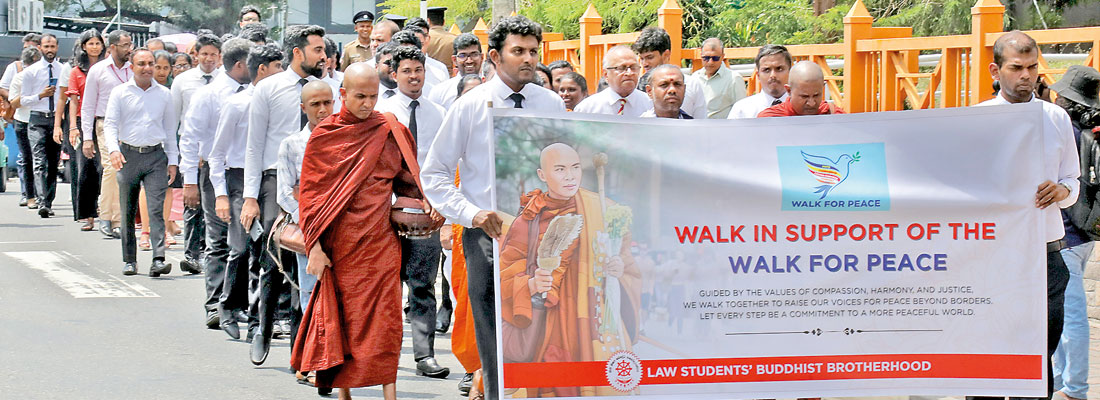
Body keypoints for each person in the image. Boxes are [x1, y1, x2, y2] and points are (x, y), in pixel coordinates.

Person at [421, 16, 566, 400]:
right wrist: (472, 215)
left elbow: (567, 163)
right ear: (494, 56)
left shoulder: (550, 105)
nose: (528, 60)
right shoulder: (469, 107)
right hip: (487, 233)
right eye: (518, 51)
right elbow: (433, 173)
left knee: (544, 320)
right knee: (492, 323)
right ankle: (497, 390)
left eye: (533, 52)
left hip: (544, 233)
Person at [291, 61, 438, 400]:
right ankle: (344, 392)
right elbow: (310, 199)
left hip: (381, 244)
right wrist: (314, 247)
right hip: (341, 245)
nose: (367, 104)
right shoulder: (325, 136)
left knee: (385, 322)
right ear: (342, 94)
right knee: (346, 319)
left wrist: (425, 202)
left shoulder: (389, 130)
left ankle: (390, 391)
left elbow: (407, 182)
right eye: (359, 96)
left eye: (373, 96)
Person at [971, 30, 1081, 400]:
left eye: (1032, 67)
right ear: (995, 70)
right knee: (986, 348)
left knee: (1036, 358)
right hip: (991, 254)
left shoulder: (1056, 118)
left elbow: (1072, 180)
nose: (1026, 76)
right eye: (1016, 68)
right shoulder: (975, 121)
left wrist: (1061, 191)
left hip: (1046, 252)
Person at [499, 143, 641, 397]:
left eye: (575, 168)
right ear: (542, 175)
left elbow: (626, 261)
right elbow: (504, 272)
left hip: (593, 315)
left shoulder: (601, 208)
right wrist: (529, 284)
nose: (570, 176)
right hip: (552, 320)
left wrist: (618, 267)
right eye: (560, 169)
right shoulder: (530, 219)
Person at [243, 24, 326, 366]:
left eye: (324, 50)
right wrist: (250, 196)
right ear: (298, 52)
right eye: (317, 50)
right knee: (273, 257)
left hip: (316, 180)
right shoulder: (269, 89)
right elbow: (254, 144)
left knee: (305, 258)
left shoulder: (328, 89)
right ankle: (261, 326)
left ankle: (299, 342)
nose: (323, 55)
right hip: (273, 180)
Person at [375, 45, 450, 379]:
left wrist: (439, 203)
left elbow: (446, 163)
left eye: (418, 70)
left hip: (425, 210)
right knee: (385, 285)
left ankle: (425, 355)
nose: (414, 77)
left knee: (422, 284)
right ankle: (382, 353)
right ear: (394, 74)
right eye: (406, 71)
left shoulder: (438, 112)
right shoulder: (381, 112)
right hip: (386, 211)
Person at [209, 43, 285, 340]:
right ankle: (226, 305)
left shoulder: (280, 101)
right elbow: (217, 154)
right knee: (240, 247)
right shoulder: (238, 103)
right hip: (239, 181)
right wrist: (221, 194)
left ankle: (261, 314)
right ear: (262, 70)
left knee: (265, 250)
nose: (282, 73)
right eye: (278, 67)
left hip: (268, 179)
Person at [179, 38, 253, 329]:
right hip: (214, 173)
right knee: (219, 239)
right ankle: (214, 304)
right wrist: (189, 182)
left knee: (243, 242)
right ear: (239, 65)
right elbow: (189, 137)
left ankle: (238, 303)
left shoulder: (253, 93)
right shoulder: (209, 95)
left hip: (246, 173)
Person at [102, 48, 179, 277]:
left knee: (156, 209)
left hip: (156, 156)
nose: (147, 68)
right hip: (128, 155)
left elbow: (169, 129)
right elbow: (110, 125)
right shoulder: (120, 92)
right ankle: (129, 260)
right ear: (132, 67)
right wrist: (114, 150)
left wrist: (172, 161)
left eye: (150, 64)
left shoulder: (164, 94)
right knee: (127, 209)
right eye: (141, 64)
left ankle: (158, 258)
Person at [1050, 65, 1100, 400]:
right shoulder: (1090, 132)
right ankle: (1060, 378)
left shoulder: (1063, 131)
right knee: (1062, 310)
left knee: (1071, 316)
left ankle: (1076, 387)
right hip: (1083, 234)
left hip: (1065, 234)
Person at [173, 33, 223, 275]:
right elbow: (175, 119)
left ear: (220, 57)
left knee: (214, 210)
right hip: (193, 152)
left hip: (218, 156)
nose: (209, 59)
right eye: (205, 54)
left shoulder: (225, 81)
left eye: (214, 54)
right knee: (192, 204)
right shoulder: (183, 81)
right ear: (196, 55)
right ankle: (191, 254)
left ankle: (209, 252)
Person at [81, 30, 132, 239]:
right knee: (111, 167)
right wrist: (86, 136)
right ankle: (106, 216)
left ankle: (120, 219)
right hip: (104, 124)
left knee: (124, 173)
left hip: (130, 125)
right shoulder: (98, 70)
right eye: (125, 45)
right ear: (112, 47)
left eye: (130, 45)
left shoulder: (134, 68)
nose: (129, 49)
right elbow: (88, 105)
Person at [20, 34, 65, 218]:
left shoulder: (63, 69)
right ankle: (42, 201)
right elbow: (23, 99)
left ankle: (49, 199)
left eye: (53, 46)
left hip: (56, 120)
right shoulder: (31, 72)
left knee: (54, 163)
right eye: (46, 46)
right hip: (37, 119)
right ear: (40, 48)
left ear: (57, 48)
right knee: (40, 162)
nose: (50, 50)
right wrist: (41, 95)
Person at [67, 29, 105, 232]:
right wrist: (73, 127)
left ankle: (106, 212)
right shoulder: (76, 71)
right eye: (90, 43)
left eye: (98, 43)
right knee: (86, 168)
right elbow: (73, 102)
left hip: (104, 120)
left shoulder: (108, 68)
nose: (94, 47)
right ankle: (88, 215)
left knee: (104, 169)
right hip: (83, 121)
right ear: (83, 46)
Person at [632, 27, 706, 119]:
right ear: (649, 90)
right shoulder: (637, 86)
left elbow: (700, 122)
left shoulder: (692, 84)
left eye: (650, 57)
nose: (645, 64)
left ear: (666, 55)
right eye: (642, 59)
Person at [574, 45, 650, 117]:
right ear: (606, 74)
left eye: (633, 67)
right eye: (621, 68)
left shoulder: (650, 104)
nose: (629, 73)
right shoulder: (588, 109)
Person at [9, 47, 41, 210]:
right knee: (28, 159)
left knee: (43, 160)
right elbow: (14, 103)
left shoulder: (45, 78)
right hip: (23, 122)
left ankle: (44, 197)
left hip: (43, 121)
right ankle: (30, 196)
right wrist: (33, 94)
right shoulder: (19, 78)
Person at [757, 61, 844, 117]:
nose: (811, 103)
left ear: (823, 87)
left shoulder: (834, 115)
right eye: (804, 97)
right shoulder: (769, 119)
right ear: (789, 91)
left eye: (816, 95)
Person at [728, 44, 791, 119]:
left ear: (790, 72)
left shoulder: (803, 108)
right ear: (758, 75)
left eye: (779, 69)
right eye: (766, 70)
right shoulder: (741, 110)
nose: (773, 75)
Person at [692, 38, 746, 119]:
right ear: (701, 56)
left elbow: (742, 112)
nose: (710, 62)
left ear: (722, 57)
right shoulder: (695, 77)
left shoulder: (733, 79)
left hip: (722, 129)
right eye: (706, 58)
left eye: (715, 58)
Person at [427, 33, 482, 109]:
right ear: (454, 60)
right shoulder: (440, 92)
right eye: (463, 55)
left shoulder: (491, 88)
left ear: (481, 57)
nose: (469, 60)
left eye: (474, 54)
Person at [424, 7, 457, 72]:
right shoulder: (454, 39)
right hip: (448, 77)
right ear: (444, 22)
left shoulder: (423, 38)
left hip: (427, 75)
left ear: (428, 21)